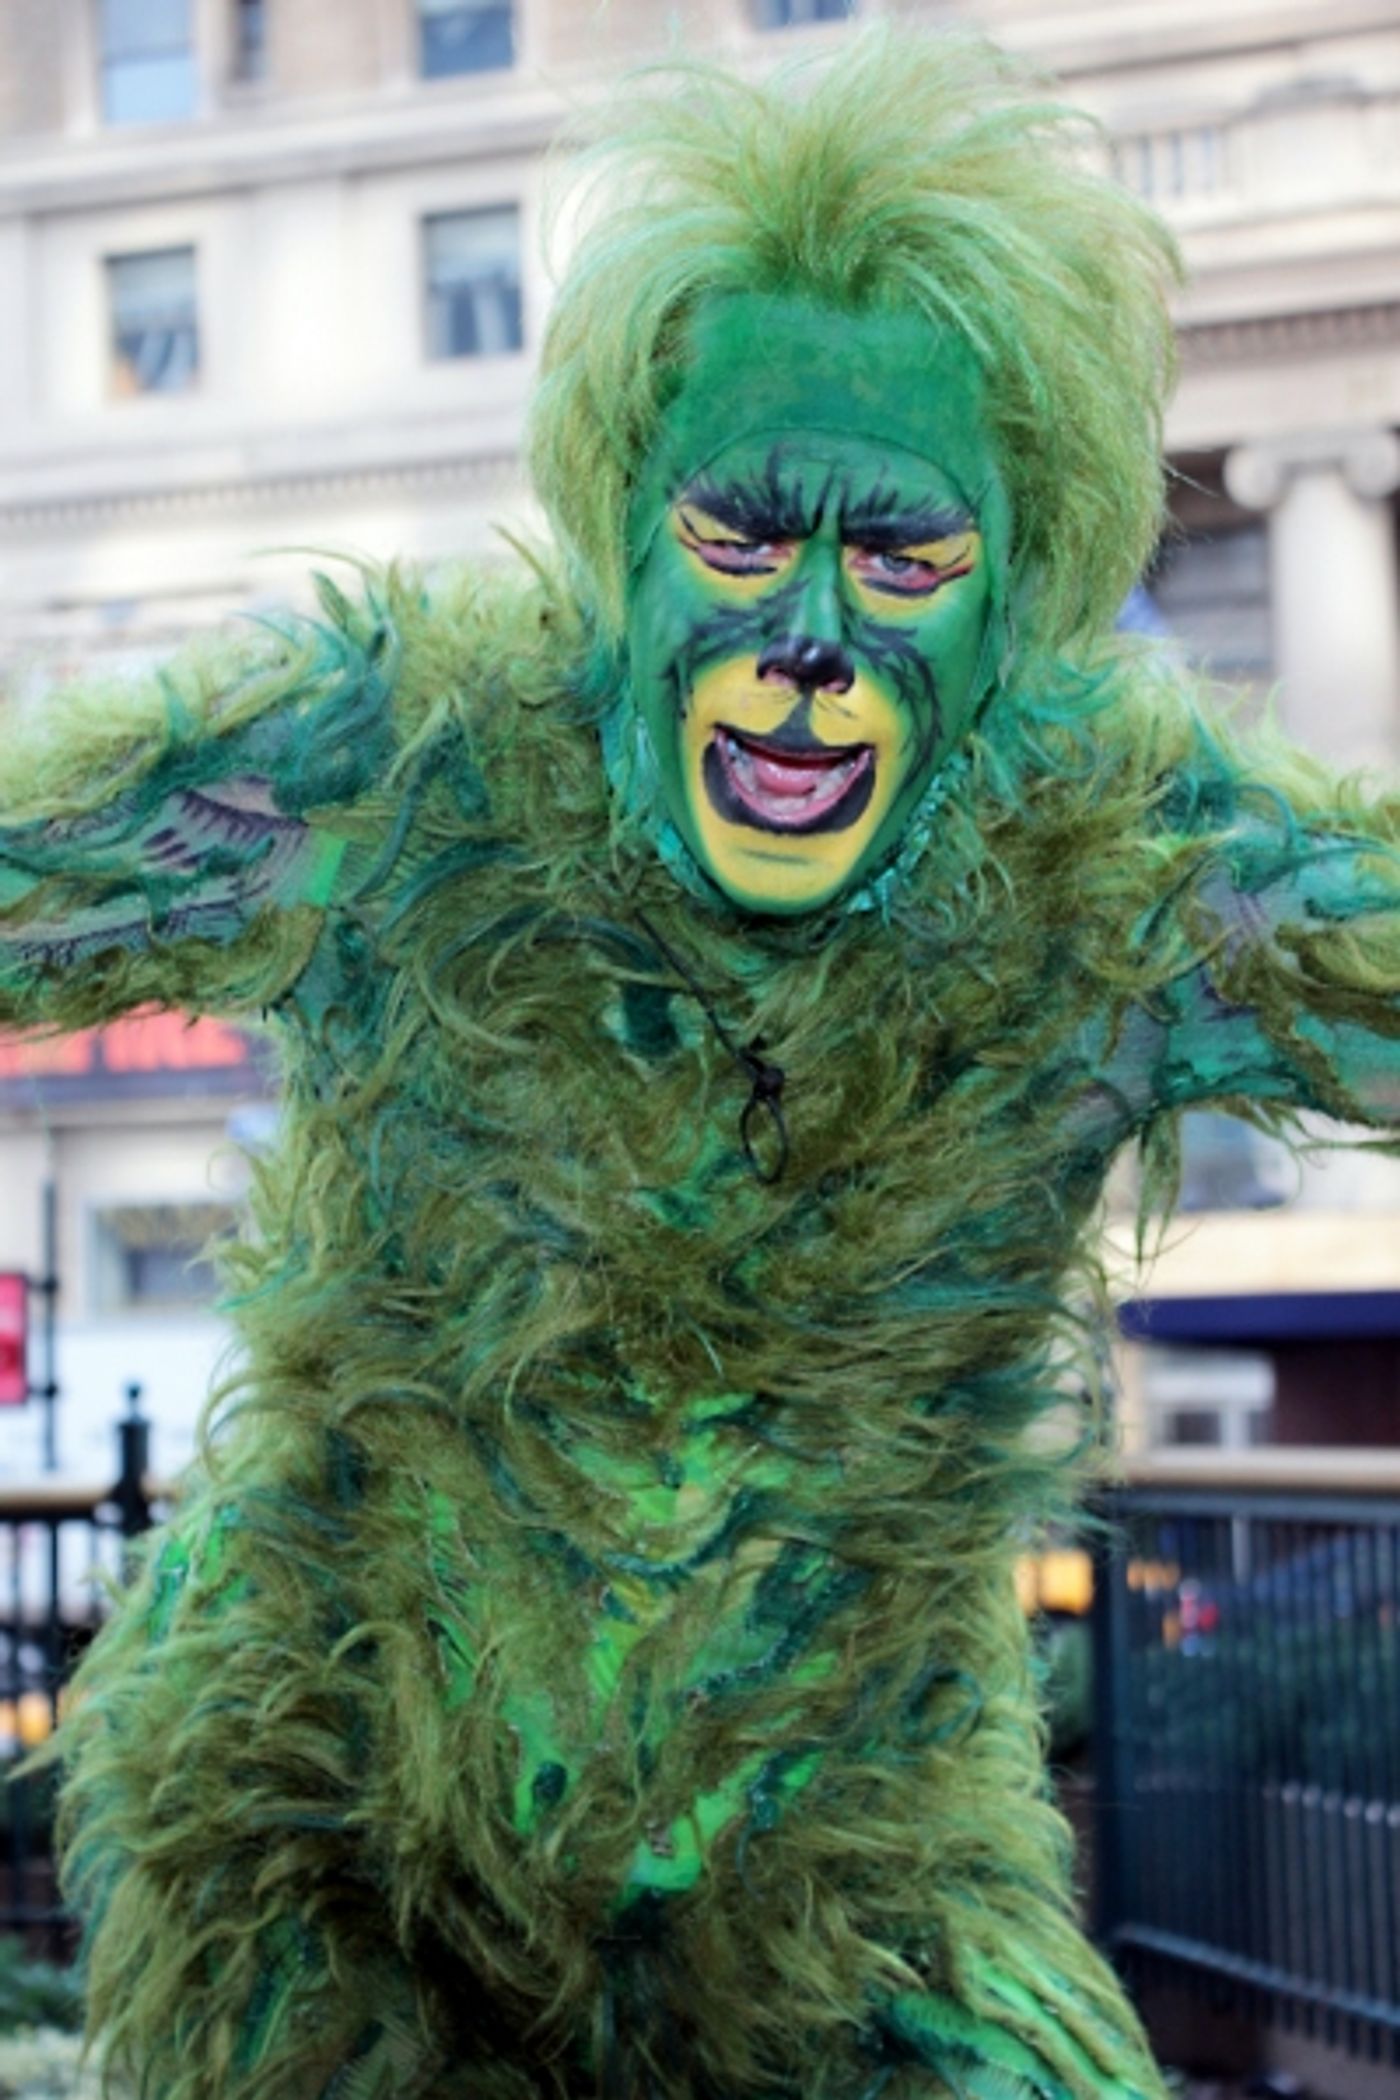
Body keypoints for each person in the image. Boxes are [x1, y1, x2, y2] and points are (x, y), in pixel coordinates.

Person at [4, 29, 1398, 2100]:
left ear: (1010, 593)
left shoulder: (1118, 867)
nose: (814, 639)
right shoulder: (407, 765)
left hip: (841, 1865)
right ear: (625, 523)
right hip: (334, 1825)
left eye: (903, 561)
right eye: (744, 537)